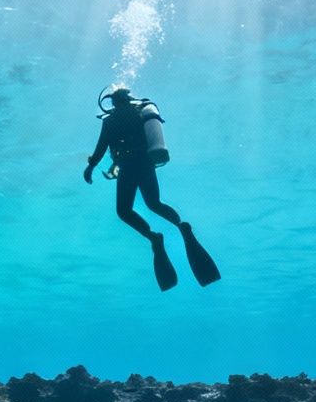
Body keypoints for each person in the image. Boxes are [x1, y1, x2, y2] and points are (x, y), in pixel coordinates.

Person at [83, 86, 220, 290]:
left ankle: (153, 237)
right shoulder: (141, 112)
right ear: (129, 98)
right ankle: (182, 227)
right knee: (154, 203)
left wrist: (91, 167)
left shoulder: (109, 121)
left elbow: (102, 146)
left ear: (112, 102)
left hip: (128, 167)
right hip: (146, 164)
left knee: (123, 211)